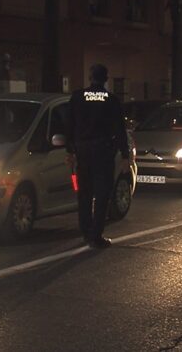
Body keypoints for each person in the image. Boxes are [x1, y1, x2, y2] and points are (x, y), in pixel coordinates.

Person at [66, 64, 130, 249]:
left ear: (90, 77)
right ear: (106, 79)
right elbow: (120, 130)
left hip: (83, 153)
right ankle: (96, 235)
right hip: (103, 153)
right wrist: (125, 155)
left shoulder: (77, 97)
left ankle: (86, 231)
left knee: (84, 193)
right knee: (102, 194)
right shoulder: (111, 100)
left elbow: (69, 125)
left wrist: (69, 151)